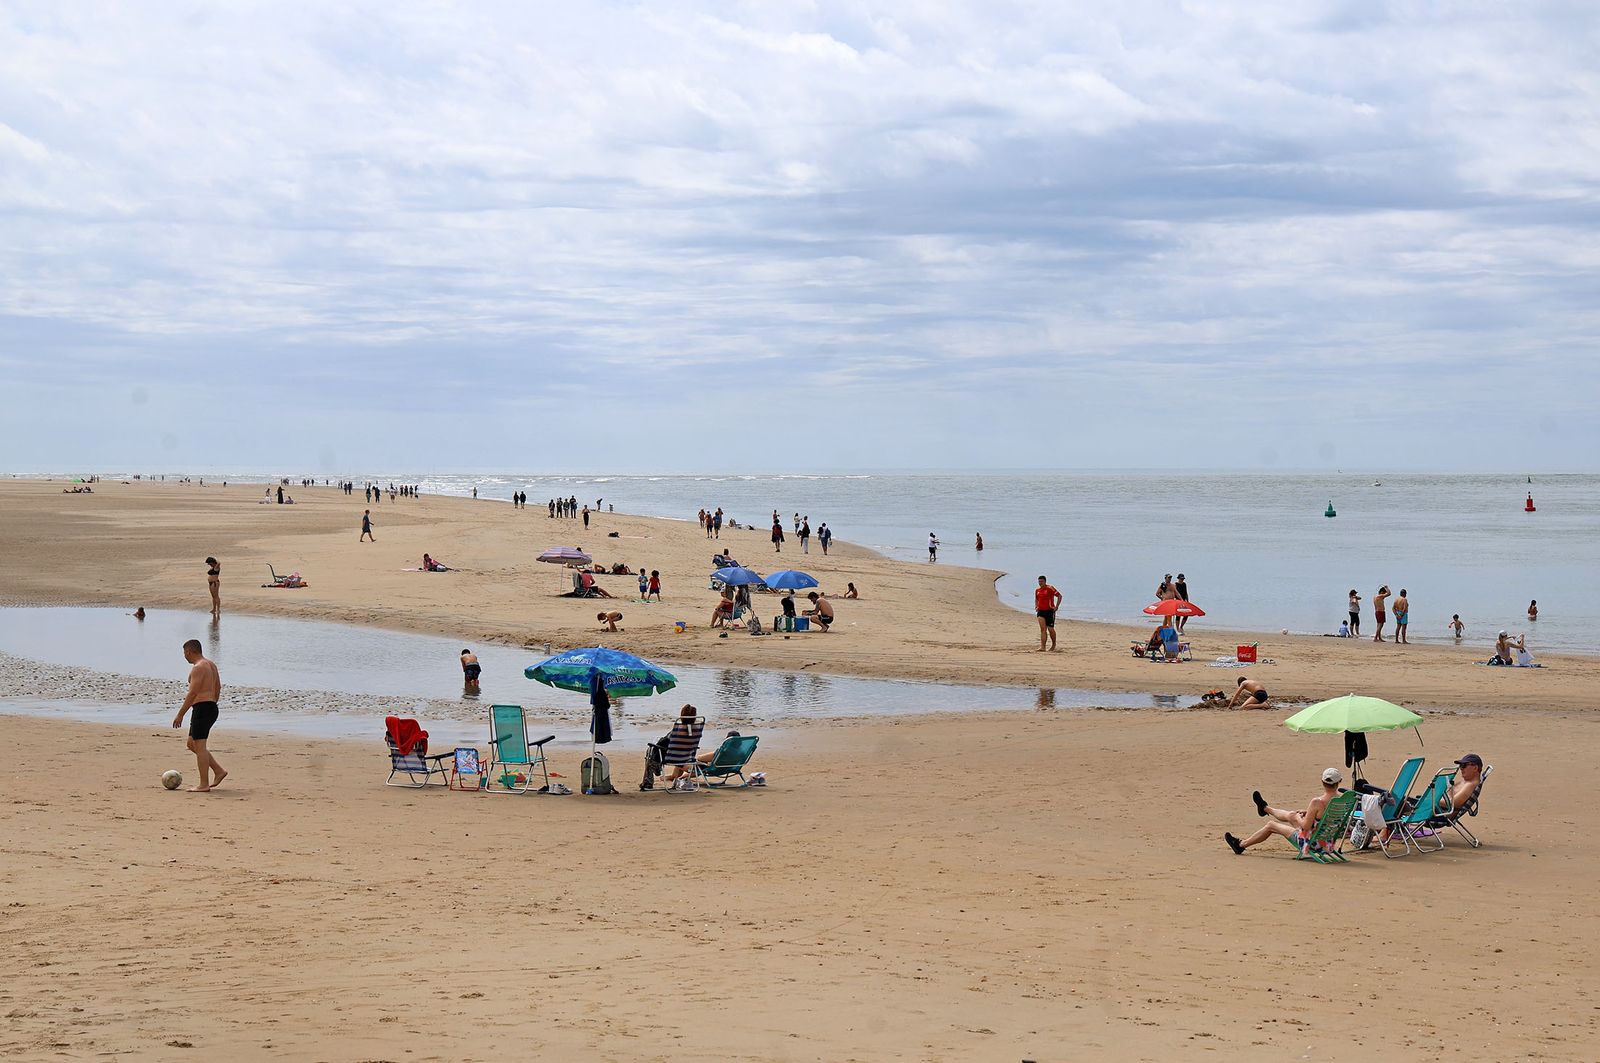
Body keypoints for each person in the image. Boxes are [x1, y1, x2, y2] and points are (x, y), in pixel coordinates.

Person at [1224, 768, 1343, 856]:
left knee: (1271, 825)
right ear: (1339, 782)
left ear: (1322, 782)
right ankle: (1265, 808)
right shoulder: (1343, 799)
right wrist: (1307, 813)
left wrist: (1298, 818)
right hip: (1328, 842)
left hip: (1312, 842)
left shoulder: (1317, 802)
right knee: (1291, 814)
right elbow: (1327, 816)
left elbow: (1306, 826)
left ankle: (1240, 845)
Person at [172, 639, 227, 793]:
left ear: (189, 651)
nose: (184, 656)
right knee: (192, 743)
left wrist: (180, 714)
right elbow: (218, 687)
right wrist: (212, 704)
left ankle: (204, 784)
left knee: (200, 746)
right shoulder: (210, 664)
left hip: (203, 708)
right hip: (209, 707)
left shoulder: (198, 668)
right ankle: (218, 770)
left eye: (184, 653)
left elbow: (193, 692)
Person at [662, 705, 706, 790]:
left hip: (672, 758)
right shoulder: (697, 730)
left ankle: (648, 782)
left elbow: (668, 742)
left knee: (654, 751)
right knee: (680, 756)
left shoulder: (677, 729)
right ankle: (673, 778)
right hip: (687, 757)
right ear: (694, 716)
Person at [1034, 575, 1062, 652]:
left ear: (1045, 581)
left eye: (1042, 581)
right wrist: (1036, 606)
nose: (1040, 583)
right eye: (1039, 581)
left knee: (1050, 629)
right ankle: (1043, 647)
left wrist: (1057, 606)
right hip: (1040, 611)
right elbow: (1036, 599)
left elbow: (1059, 596)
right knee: (1043, 629)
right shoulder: (1037, 590)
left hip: (1050, 611)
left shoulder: (1050, 588)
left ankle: (1053, 645)